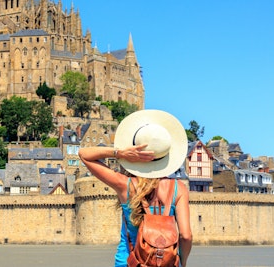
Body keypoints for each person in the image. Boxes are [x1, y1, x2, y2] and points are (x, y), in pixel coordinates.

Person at [78, 109, 192, 267]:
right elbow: (186, 236)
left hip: (129, 262)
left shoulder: (125, 184)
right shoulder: (179, 189)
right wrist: (183, 262)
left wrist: (120, 153)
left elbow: (84, 154)